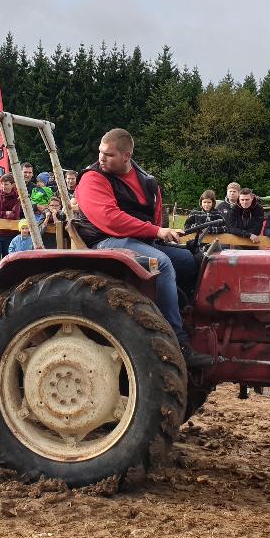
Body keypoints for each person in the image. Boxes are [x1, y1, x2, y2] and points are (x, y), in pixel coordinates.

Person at [73, 128, 207, 367]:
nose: (101, 158)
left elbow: (155, 216)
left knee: (192, 261)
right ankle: (176, 342)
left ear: (127, 156)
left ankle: (190, 321)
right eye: (101, 152)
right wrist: (155, 231)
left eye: (109, 154)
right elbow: (110, 219)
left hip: (139, 241)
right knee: (160, 264)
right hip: (104, 241)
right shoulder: (93, 178)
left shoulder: (147, 181)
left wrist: (160, 235)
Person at [0, 173, 23, 264]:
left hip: (11, 233)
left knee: (8, 260)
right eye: (2, 184)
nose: (3, 186)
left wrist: (0, 214)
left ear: (13, 184)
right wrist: (6, 213)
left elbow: (15, 215)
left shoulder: (18, 196)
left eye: (6, 184)